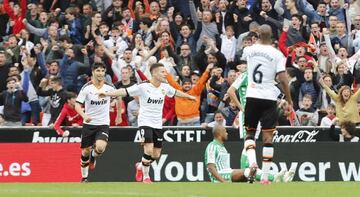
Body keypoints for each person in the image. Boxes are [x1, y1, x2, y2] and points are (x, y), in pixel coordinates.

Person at [97, 63, 196, 183]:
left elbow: (176, 92)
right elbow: (124, 91)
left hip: (157, 124)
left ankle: (139, 166)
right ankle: (146, 177)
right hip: (145, 122)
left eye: (165, 72)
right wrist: (107, 94)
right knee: (148, 150)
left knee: (156, 155)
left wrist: (189, 97)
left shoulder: (165, 87)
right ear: (154, 73)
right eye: (162, 72)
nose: (165, 74)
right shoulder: (143, 86)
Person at [241, 24, 292, 184]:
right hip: (269, 97)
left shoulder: (249, 50)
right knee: (268, 137)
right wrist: (289, 99)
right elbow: (283, 78)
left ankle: (252, 162)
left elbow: (245, 57)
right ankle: (264, 178)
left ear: (257, 34)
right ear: (272, 36)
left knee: (249, 133)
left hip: (252, 95)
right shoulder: (277, 54)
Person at [75, 62, 121, 183]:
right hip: (89, 124)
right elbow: (77, 105)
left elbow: (119, 96)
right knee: (85, 151)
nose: (100, 73)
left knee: (100, 147)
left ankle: (94, 156)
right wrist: (84, 115)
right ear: (93, 72)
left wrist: (118, 114)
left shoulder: (109, 87)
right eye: (98, 71)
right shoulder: (87, 88)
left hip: (103, 124)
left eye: (102, 71)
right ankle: (84, 177)